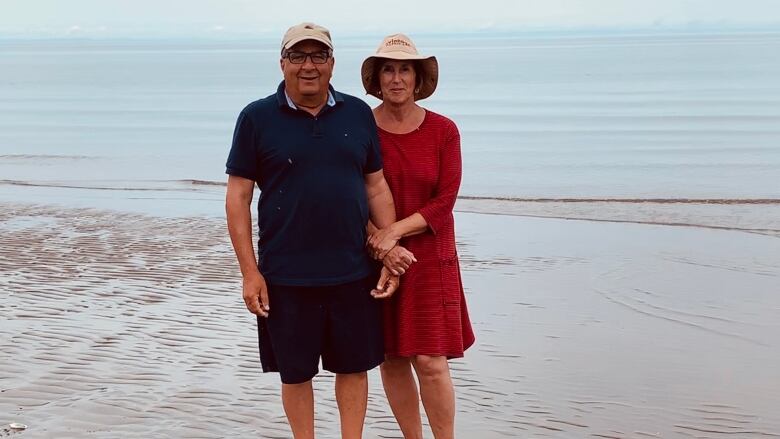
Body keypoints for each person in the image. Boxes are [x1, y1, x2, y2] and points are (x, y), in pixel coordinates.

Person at [225, 22, 399, 439]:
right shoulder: (256, 117)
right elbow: (238, 199)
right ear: (282, 63)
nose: (309, 66)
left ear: (332, 64)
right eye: (298, 56)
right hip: (285, 275)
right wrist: (250, 272)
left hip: (354, 270)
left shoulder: (357, 113)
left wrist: (389, 250)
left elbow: (376, 186)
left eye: (318, 56)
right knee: (295, 374)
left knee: (354, 367)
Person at [361, 34, 476, 439]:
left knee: (431, 361)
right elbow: (349, 194)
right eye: (388, 69)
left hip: (430, 259)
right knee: (391, 358)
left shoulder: (444, 130)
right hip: (373, 257)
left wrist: (392, 232)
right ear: (377, 78)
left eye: (404, 69)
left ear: (417, 77)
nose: (396, 78)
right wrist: (380, 242)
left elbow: (445, 201)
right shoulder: (360, 128)